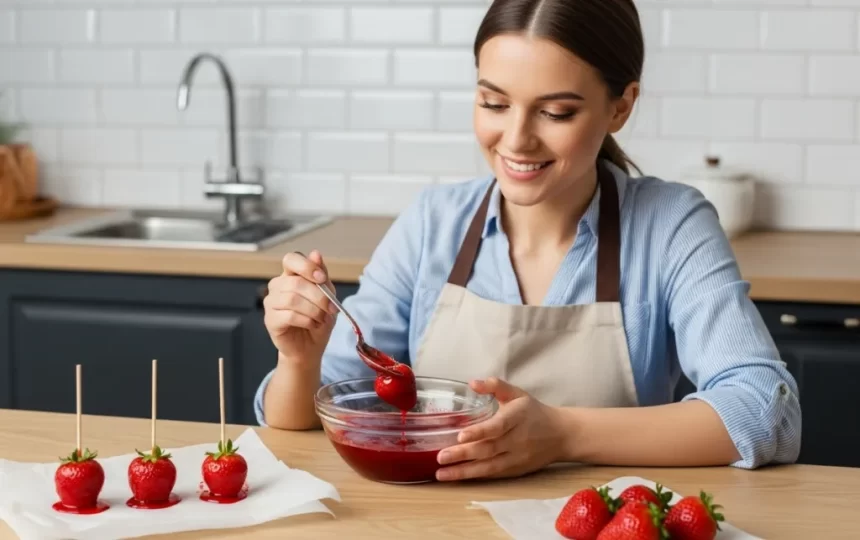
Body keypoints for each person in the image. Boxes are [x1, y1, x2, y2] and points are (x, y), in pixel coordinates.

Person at [254, 0, 801, 481]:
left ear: (621, 106)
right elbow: (305, 415)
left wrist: (562, 434)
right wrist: (300, 360)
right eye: (494, 104)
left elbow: (763, 410)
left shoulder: (669, 225)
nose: (516, 140)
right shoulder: (432, 224)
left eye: (556, 111)